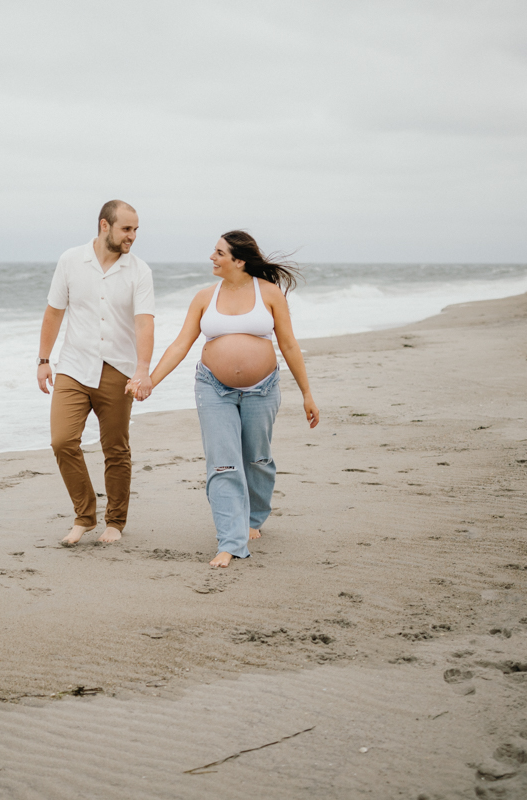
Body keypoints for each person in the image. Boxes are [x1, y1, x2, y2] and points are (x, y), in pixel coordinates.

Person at [140, 230, 318, 567]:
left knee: (257, 459)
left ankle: (254, 516)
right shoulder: (205, 297)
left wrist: (308, 393)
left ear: (239, 260)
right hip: (213, 388)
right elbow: (180, 344)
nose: (212, 257)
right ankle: (231, 541)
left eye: (219, 252)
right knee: (223, 463)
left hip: (262, 388)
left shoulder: (269, 294)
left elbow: (290, 345)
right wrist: (151, 380)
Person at [37, 200, 155, 546]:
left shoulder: (139, 271)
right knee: (62, 441)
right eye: (126, 229)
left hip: (119, 370)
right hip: (73, 367)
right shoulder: (71, 260)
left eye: (135, 230)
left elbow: (144, 323)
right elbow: (54, 313)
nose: (132, 236)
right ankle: (84, 515)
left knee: (115, 449)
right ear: (105, 226)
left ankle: (115, 521)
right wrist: (43, 360)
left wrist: (143, 370)